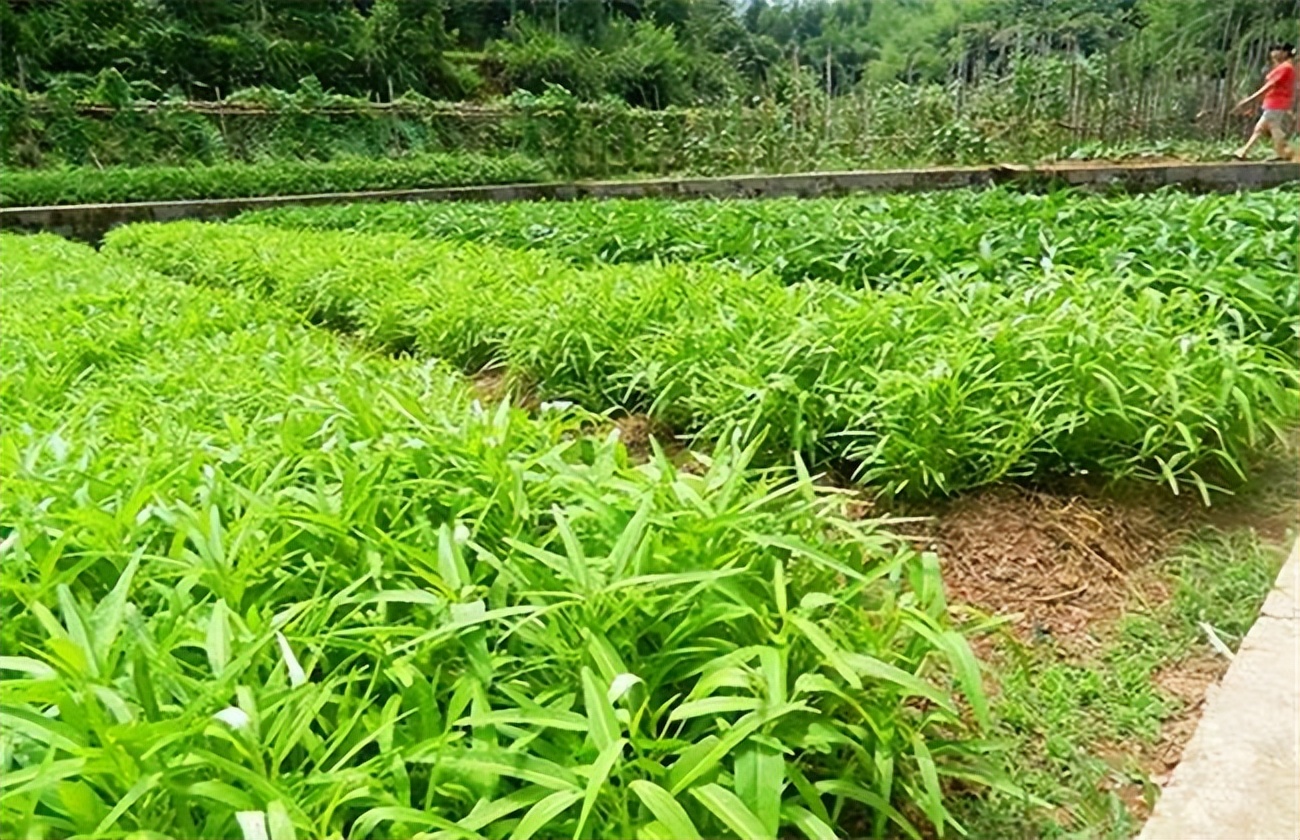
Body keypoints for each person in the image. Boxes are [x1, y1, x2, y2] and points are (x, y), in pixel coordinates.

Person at [1233, 43, 1296, 160]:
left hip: (1276, 103)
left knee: (1271, 127)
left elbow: (1270, 86)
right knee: (1262, 128)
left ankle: (1282, 152)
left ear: (1285, 53)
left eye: (1278, 50)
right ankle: (1244, 151)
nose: (1273, 53)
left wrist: (1251, 99)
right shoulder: (1285, 67)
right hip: (1275, 103)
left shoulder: (1285, 68)